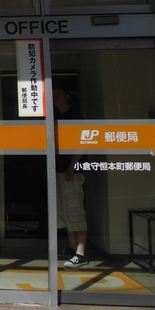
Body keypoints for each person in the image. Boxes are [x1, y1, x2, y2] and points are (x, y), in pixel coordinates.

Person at [53, 87, 88, 268]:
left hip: (71, 172)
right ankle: (72, 247)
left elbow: (82, 143)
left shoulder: (75, 115)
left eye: (58, 94)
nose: (55, 97)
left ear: (67, 95)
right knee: (66, 210)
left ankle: (80, 254)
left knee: (75, 210)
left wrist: (71, 167)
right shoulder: (57, 115)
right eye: (53, 94)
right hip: (61, 170)